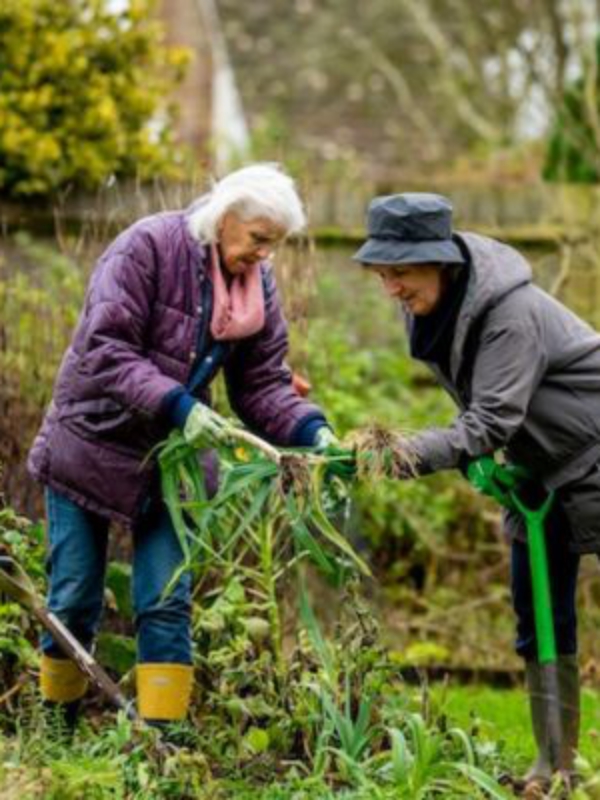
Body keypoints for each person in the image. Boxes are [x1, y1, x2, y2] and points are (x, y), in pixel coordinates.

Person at [28, 163, 337, 726]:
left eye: (274, 246)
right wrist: (180, 405)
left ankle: (164, 743)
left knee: (166, 599)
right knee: (74, 595)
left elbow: (263, 382)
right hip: (91, 439)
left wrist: (312, 432)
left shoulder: (254, 284)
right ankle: (56, 730)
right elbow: (105, 348)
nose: (264, 256)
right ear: (224, 219)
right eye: (258, 240)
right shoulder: (146, 247)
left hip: (172, 458)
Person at [353, 192, 600, 785]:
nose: (391, 288)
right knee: (537, 617)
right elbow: (484, 419)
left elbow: (488, 420)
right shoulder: (436, 310)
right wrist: (479, 462)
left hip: (593, 453)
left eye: (401, 273)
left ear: (442, 262)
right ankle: (555, 765)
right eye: (383, 274)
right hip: (540, 472)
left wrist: (402, 452)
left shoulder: (510, 313)